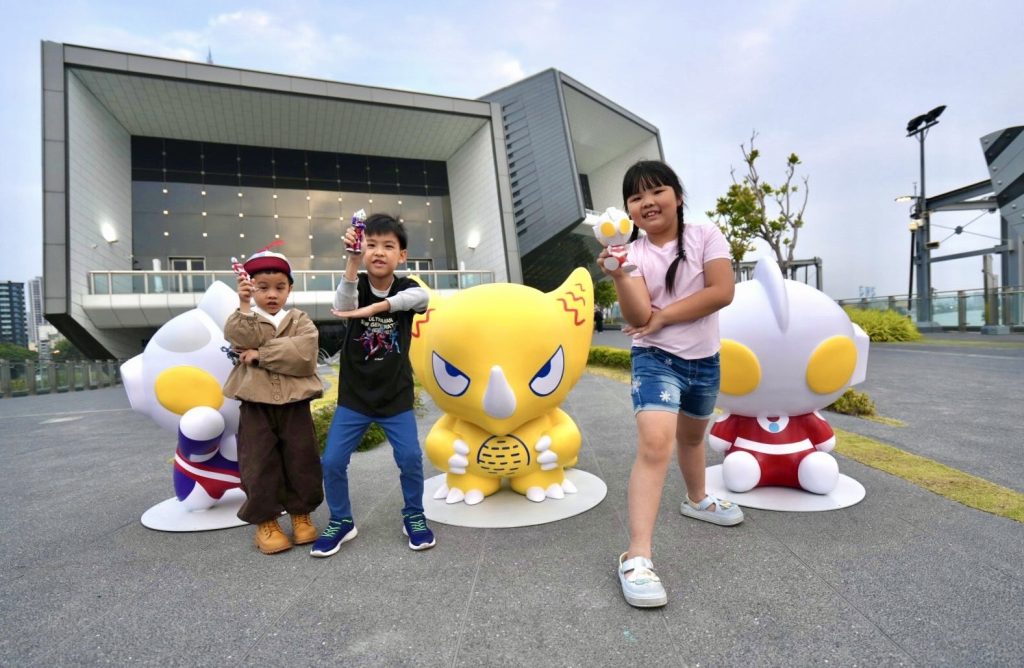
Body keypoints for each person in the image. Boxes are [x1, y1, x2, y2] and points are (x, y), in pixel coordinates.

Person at [598, 159, 744, 608]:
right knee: (656, 444)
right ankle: (637, 556)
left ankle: (697, 499)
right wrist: (620, 274)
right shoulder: (634, 254)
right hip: (655, 358)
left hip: (704, 360)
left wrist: (664, 317)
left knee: (693, 438)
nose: (647, 202)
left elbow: (721, 291)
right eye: (635, 197)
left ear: (677, 196)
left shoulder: (705, 235)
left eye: (656, 191)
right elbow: (639, 317)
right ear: (628, 212)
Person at [311, 213, 436, 557]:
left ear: (402, 255)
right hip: (355, 398)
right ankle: (341, 520)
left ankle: (414, 515)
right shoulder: (357, 284)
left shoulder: (407, 286)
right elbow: (343, 306)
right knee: (332, 462)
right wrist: (352, 262)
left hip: (395, 396)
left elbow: (422, 300)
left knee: (410, 458)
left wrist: (377, 308)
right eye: (371, 245)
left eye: (388, 246)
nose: (379, 252)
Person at [222, 248, 325, 555]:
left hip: (295, 403)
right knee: (258, 461)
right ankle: (266, 521)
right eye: (262, 287)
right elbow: (238, 338)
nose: (272, 294)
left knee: (302, 458)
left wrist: (260, 353)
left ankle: (301, 514)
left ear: (289, 289)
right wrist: (243, 305)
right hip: (256, 404)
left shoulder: (299, 319)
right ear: (251, 288)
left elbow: (305, 354)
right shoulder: (246, 318)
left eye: (280, 287)